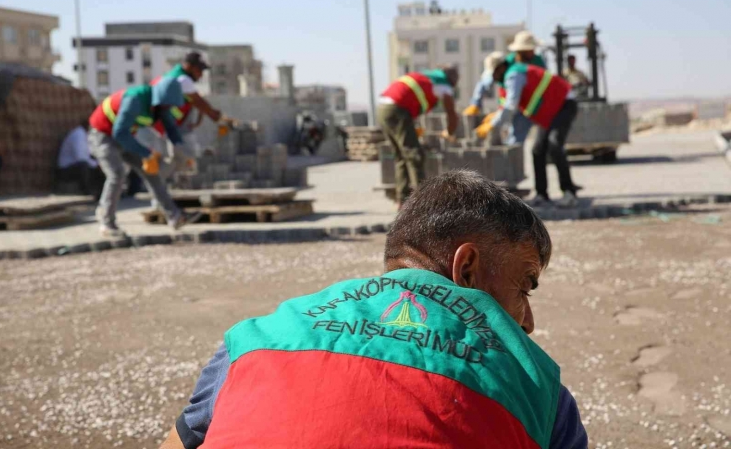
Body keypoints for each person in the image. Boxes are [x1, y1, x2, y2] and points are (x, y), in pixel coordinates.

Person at [158, 170, 587, 449]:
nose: (527, 322)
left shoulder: (258, 340)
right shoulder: (534, 384)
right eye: (524, 286)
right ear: (467, 269)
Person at [88, 80, 200, 237]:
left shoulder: (160, 107)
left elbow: (171, 130)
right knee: (117, 174)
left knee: (151, 173)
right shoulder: (135, 99)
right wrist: (146, 153)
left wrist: (184, 154)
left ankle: (175, 216)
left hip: (126, 136)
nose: (169, 109)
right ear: (160, 100)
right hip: (103, 136)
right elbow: (119, 132)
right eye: (167, 105)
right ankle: (107, 223)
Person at [480, 52, 580, 208]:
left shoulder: (513, 75)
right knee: (537, 150)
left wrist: (493, 124)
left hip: (564, 104)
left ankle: (569, 193)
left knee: (554, 145)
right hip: (550, 112)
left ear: (499, 69)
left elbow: (511, 106)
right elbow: (514, 110)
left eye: (493, 75)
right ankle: (542, 194)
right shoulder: (511, 76)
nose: (494, 80)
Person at [146, 51, 237, 180]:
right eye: (199, 70)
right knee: (187, 156)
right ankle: (156, 183)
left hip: (165, 123)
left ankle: (160, 184)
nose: (201, 74)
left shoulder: (174, 76)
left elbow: (195, 103)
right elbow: (199, 102)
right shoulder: (183, 79)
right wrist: (220, 118)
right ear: (189, 66)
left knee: (179, 159)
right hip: (166, 125)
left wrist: (205, 118)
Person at [377, 66, 459, 204]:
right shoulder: (443, 85)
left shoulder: (426, 76)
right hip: (398, 110)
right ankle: (421, 203)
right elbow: (451, 113)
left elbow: (410, 98)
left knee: (401, 157)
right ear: (451, 78)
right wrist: (449, 132)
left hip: (383, 109)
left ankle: (402, 200)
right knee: (415, 155)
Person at [465, 31, 546, 145]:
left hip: (528, 106)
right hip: (514, 106)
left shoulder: (531, 66)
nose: (531, 52)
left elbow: (513, 103)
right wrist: (475, 104)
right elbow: (484, 83)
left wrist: (493, 122)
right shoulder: (504, 66)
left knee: (515, 141)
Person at [55, 119, 104, 198]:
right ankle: (87, 191)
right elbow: (81, 158)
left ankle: (101, 191)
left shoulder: (85, 135)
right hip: (65, 170)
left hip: (75, 165)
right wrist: (97, 164)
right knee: (85, 166)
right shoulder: (79, 135)